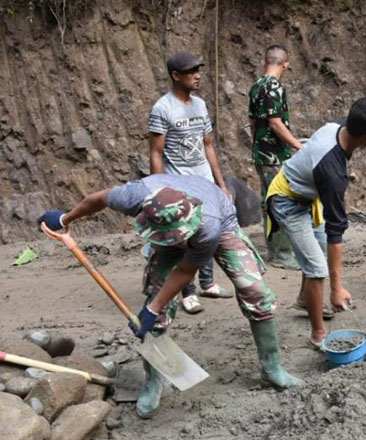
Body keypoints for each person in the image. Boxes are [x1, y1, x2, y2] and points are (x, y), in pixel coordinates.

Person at [37, 175, 302, 419]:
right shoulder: (134, 196)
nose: (178, 243)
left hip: (221, 223)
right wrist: (66, 219)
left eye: (179, 238)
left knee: (255, 292)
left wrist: (152, 308)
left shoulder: (208, 226)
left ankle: (272, 369)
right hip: (166, 227)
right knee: (156, 309)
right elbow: (98, 199)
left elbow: (186, 271)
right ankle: (154, 381)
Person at [266, 97, 366, 348]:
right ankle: (318, 334)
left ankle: (305, 299)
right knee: (317, 268)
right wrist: (337, 289)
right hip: (287, 201)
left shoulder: (340, 126)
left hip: (307, 194)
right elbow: (336, 231)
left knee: (320, 253)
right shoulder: (332, 172)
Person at [148, 51, 232, 314]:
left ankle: (208, 283)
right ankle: (188, 291)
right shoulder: (163, 108)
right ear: (176, 76)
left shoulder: (200, 105)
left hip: (204, 182)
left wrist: (220, 184)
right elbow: (156, 152)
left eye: (198, 70)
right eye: (191, 72)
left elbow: (208, 146)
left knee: (209, 231)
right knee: (186, 236)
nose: (197, 76)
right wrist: (159, 189)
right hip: (180, 184)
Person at [248, 43, 304, 271]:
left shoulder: (256, 86)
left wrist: (258, 145)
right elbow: (275, 123)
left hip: (261, 153)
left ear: (265, 62)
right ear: (285, 64)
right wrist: (298, 146)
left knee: (268, 201)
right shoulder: (274, 87)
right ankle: (282, 254)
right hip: (274, 156)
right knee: (280, 201)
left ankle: (274, 251)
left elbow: (253, 122)